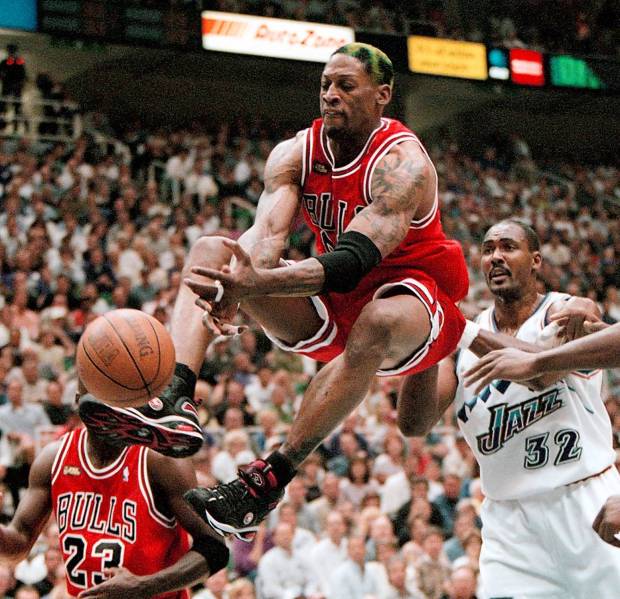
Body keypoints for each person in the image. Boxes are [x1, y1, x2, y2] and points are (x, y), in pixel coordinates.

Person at [79, 42, 469, 540]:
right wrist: (236, 286)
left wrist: (256, 284)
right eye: (325, 84)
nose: (330, 95)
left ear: (382, 96)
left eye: (346, 85)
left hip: (414, 299)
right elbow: (264, 240)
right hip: (335, 305)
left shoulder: (403, 164)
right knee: (211, 252)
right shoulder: (294, 152)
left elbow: (350, 262)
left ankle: (268, 480)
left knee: (380, 322)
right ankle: (172, 399)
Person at [404, 219, 620, 597]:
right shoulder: (456, 348)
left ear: (536, 260)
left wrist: (463, 330)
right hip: (510, 523)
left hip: (586, 504)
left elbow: (548, 369)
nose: (496, 257)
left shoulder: (563, 313)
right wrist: (425, 341)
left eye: (508, 247)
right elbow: (413, 423)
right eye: (488, 250)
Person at [0, 396, 228, 598]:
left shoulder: (160, 460)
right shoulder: (53, 458)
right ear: (79, 399)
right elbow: (19, 541)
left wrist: (144, 587)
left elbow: (215, 548)